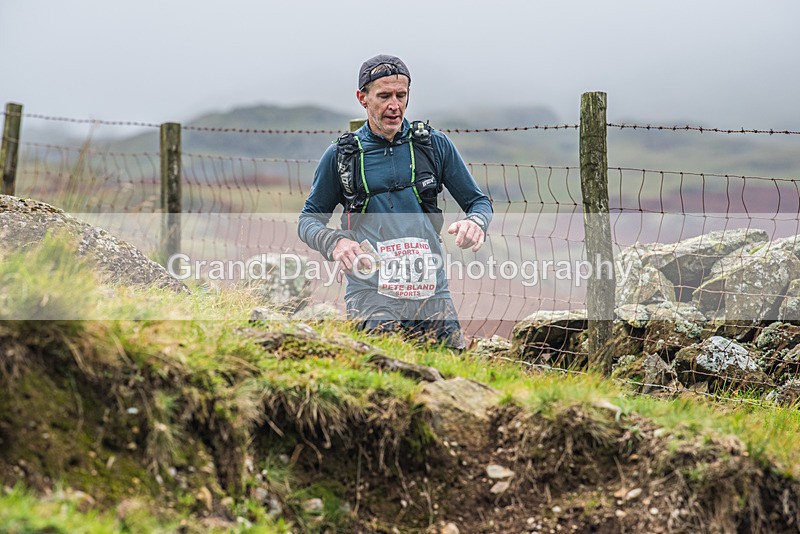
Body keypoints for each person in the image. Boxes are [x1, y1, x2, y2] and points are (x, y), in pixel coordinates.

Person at [298, 54, 492, 349]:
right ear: (362, 98)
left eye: (401, 95)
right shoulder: (342, 156)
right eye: (384, 96)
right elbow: (308, 219)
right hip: (371, 294)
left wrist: (475, 222)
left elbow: (479, 202)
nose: (395, 105)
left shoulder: (433, 145)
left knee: (452, 374)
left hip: (431, 293)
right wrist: (335, 242)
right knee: (383, 371)